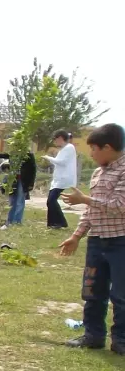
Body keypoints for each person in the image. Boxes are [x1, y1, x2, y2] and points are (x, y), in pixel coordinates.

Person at [59, 123, 125, 355]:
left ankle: (121, 340)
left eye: (94, 149)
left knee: (121, 294)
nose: (91, 154)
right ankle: (93, 335)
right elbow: (92, 211)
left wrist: (85, 199)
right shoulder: (98, 172)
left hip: (120, 241)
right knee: (92, 290)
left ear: (107, 147)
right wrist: (77, 236)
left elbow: (119, 206)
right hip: (97, 240)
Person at [44, 130, 77, 229]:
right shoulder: (63, 149)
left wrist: (48, 158)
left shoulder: (69, 147)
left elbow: (61, 162)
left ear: (60, 138)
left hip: (63, 179)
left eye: (55, 139)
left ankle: (60, 223)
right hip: (58, 179)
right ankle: (53, 223)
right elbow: (58, 163)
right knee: (50, 201)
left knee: (51, 200)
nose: (55, 141)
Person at [3, 152, 37, 228]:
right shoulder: (14, 153)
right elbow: (2, 155)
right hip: (14, 181)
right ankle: (10, 220)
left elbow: (33, 169)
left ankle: (17, 221)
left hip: (23, 181)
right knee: (12, 201)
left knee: (20, 201)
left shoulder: (28, 155)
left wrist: (31, 183)